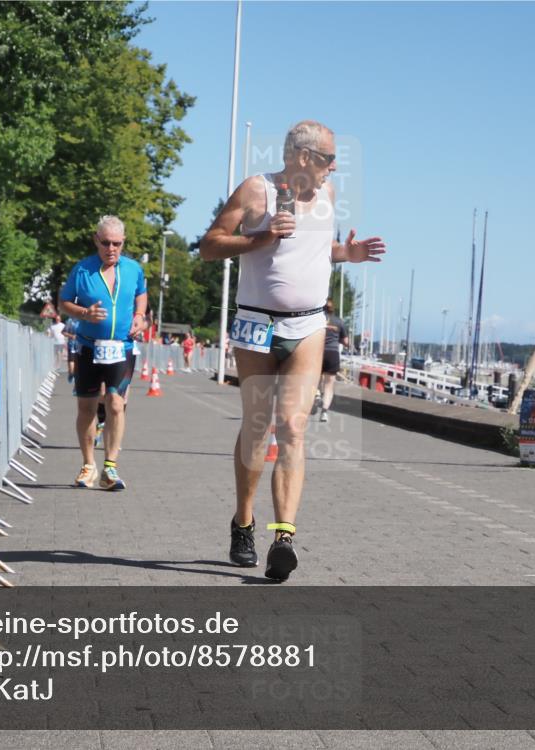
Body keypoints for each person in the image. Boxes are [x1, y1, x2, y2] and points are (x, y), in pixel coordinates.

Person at [199, 120, 385, 581]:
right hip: (256, 324)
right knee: (258, 430)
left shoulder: (329, 197)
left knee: (294, 428)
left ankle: (284, 536)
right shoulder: (255, 190)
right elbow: (209, 246)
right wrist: (262, 237)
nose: (334, 167)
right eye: (327, 159)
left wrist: (349, 254)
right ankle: (244, 521)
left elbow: (317, 251)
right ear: (302, 157)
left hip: (307, 324)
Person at [58, 215, 148, 491]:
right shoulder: (82, 270)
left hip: (122, 347)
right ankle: (88, 465)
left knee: (116, 403)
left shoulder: (133, 269)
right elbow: (63, 303)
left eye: (117, 244)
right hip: (88, 346)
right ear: (96, 240)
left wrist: (140, 316)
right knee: (86, 408)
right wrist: (85, 312)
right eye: (106, 243)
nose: (112, 249)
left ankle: (110, 467)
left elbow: (141, 294)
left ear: (124, 243)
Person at [317, 299, 348, 422]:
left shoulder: (318, 320)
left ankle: (317, 394)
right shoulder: (339, 322)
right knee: (329, 385)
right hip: (333, 354)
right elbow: (346, 342)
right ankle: (324, 412)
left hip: (318, 352)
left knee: (316, 379)